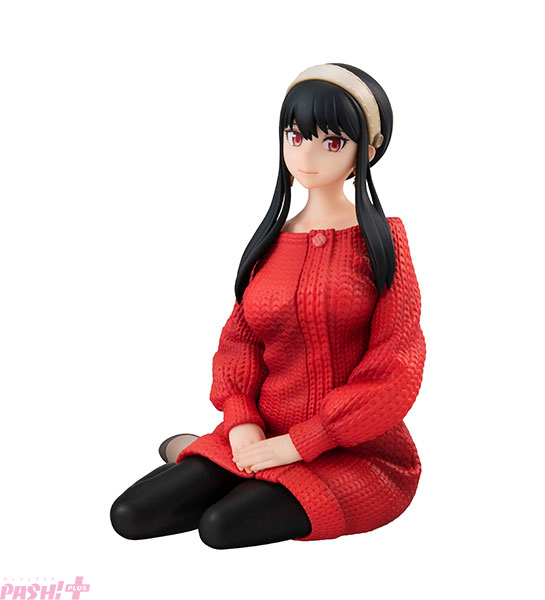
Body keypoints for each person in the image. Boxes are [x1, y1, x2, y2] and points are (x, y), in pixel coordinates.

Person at [110, 63, 426, 549]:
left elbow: (395, 365)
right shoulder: (271, 243)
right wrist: (240, 420)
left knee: (220, 527)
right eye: (295, 137)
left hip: (354, 452)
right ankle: (206, 455)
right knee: (130, 516)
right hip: (257, 437)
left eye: (332, 142)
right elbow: (239, 344)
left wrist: (305, 441)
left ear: (367, 151)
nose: (307, 155)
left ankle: (194, 455)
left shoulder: (382, 244)